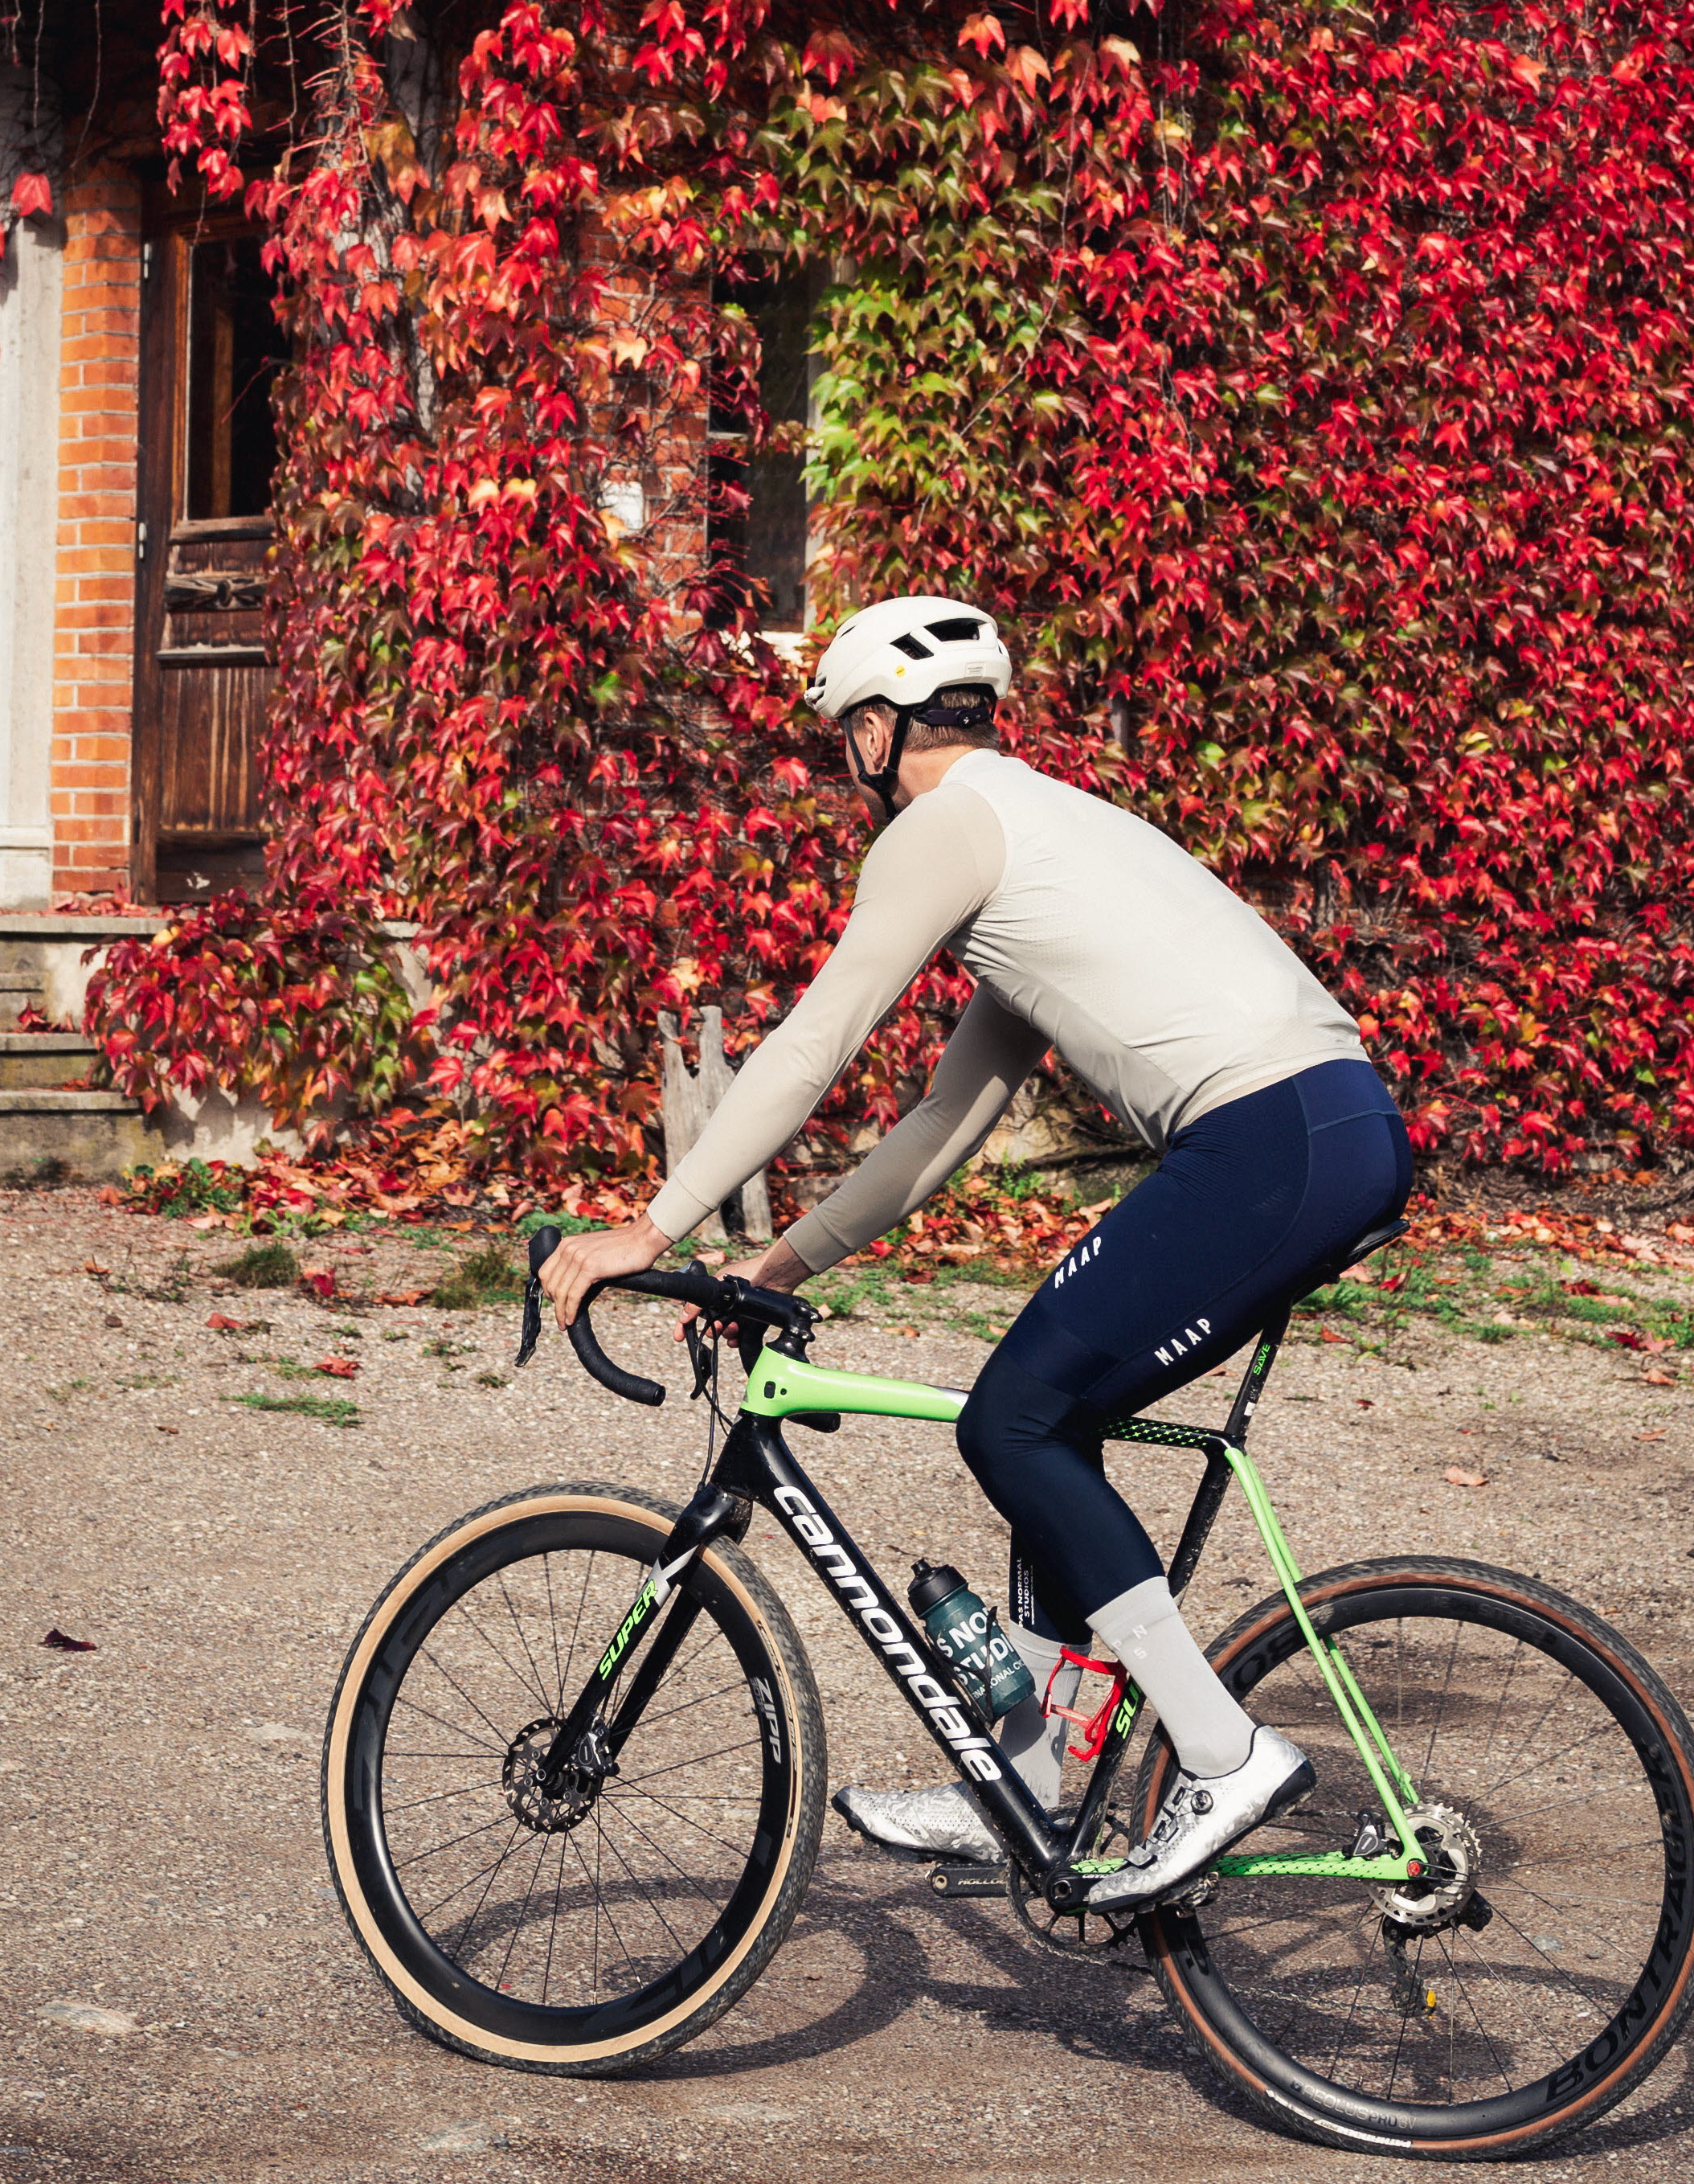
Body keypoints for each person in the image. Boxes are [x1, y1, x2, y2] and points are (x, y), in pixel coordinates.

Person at [543, 596, 1414, 1915]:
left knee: (1010, 1419)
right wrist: (784, 1259)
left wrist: (652, 1226)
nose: (849, 764)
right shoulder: (1034, 833)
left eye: (848, 736)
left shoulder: (939, 829)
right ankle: (1028, 1778)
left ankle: (1224, 1756)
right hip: (1324, 1123)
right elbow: (948, 1119)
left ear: (880, 731)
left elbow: (815, 1040)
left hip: (1269, 1138)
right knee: (1045, 1425)